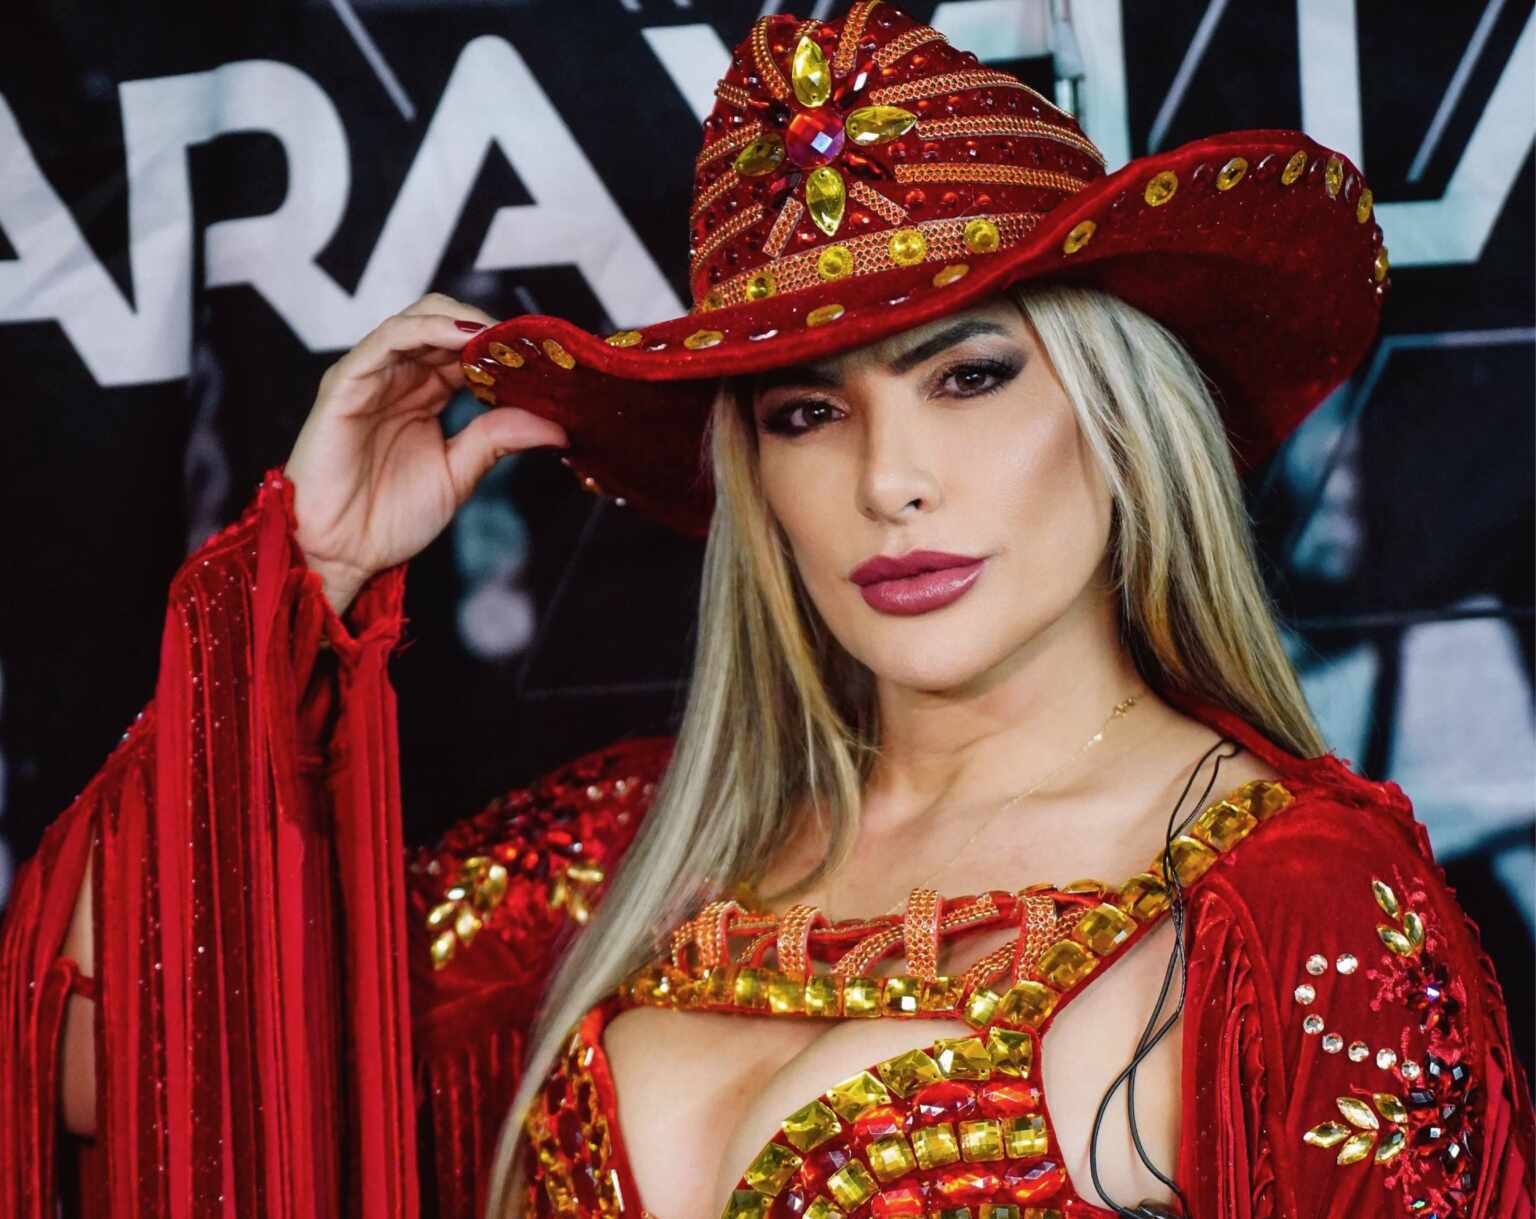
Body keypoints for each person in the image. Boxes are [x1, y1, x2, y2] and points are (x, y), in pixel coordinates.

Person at [1, 4, 1531, 1219]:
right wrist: (307, 578)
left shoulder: (1298, 905)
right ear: (755, 476)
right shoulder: (629, 851)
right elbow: (109, 1064)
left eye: (970, 375)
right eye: (807, 411)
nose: (888, 481)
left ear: (1123, 417)